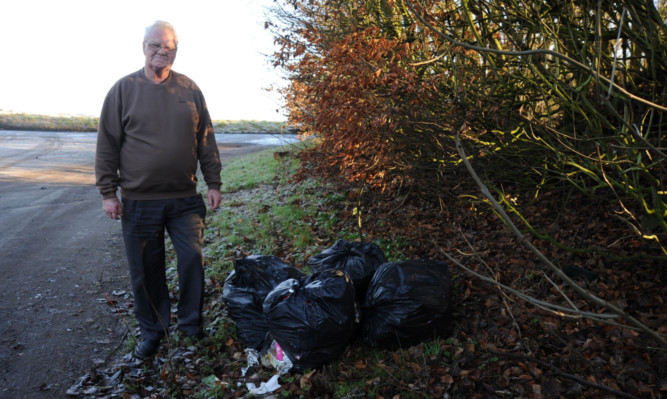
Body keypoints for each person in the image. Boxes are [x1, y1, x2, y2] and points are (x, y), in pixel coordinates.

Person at [95, 20, 222, 359]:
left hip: (184, 199)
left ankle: (191, 327)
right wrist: (108, 193)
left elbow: (205, 139)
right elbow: (107, 144)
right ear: (143, 46)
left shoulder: (190, 89)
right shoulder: (123, 90)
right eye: (156, 45)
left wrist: (214, 182)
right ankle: (153, 331)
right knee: (145, 270)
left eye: (169, 47)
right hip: (140, 202)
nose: (162, 52)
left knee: (192, 260)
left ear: (176, 50)